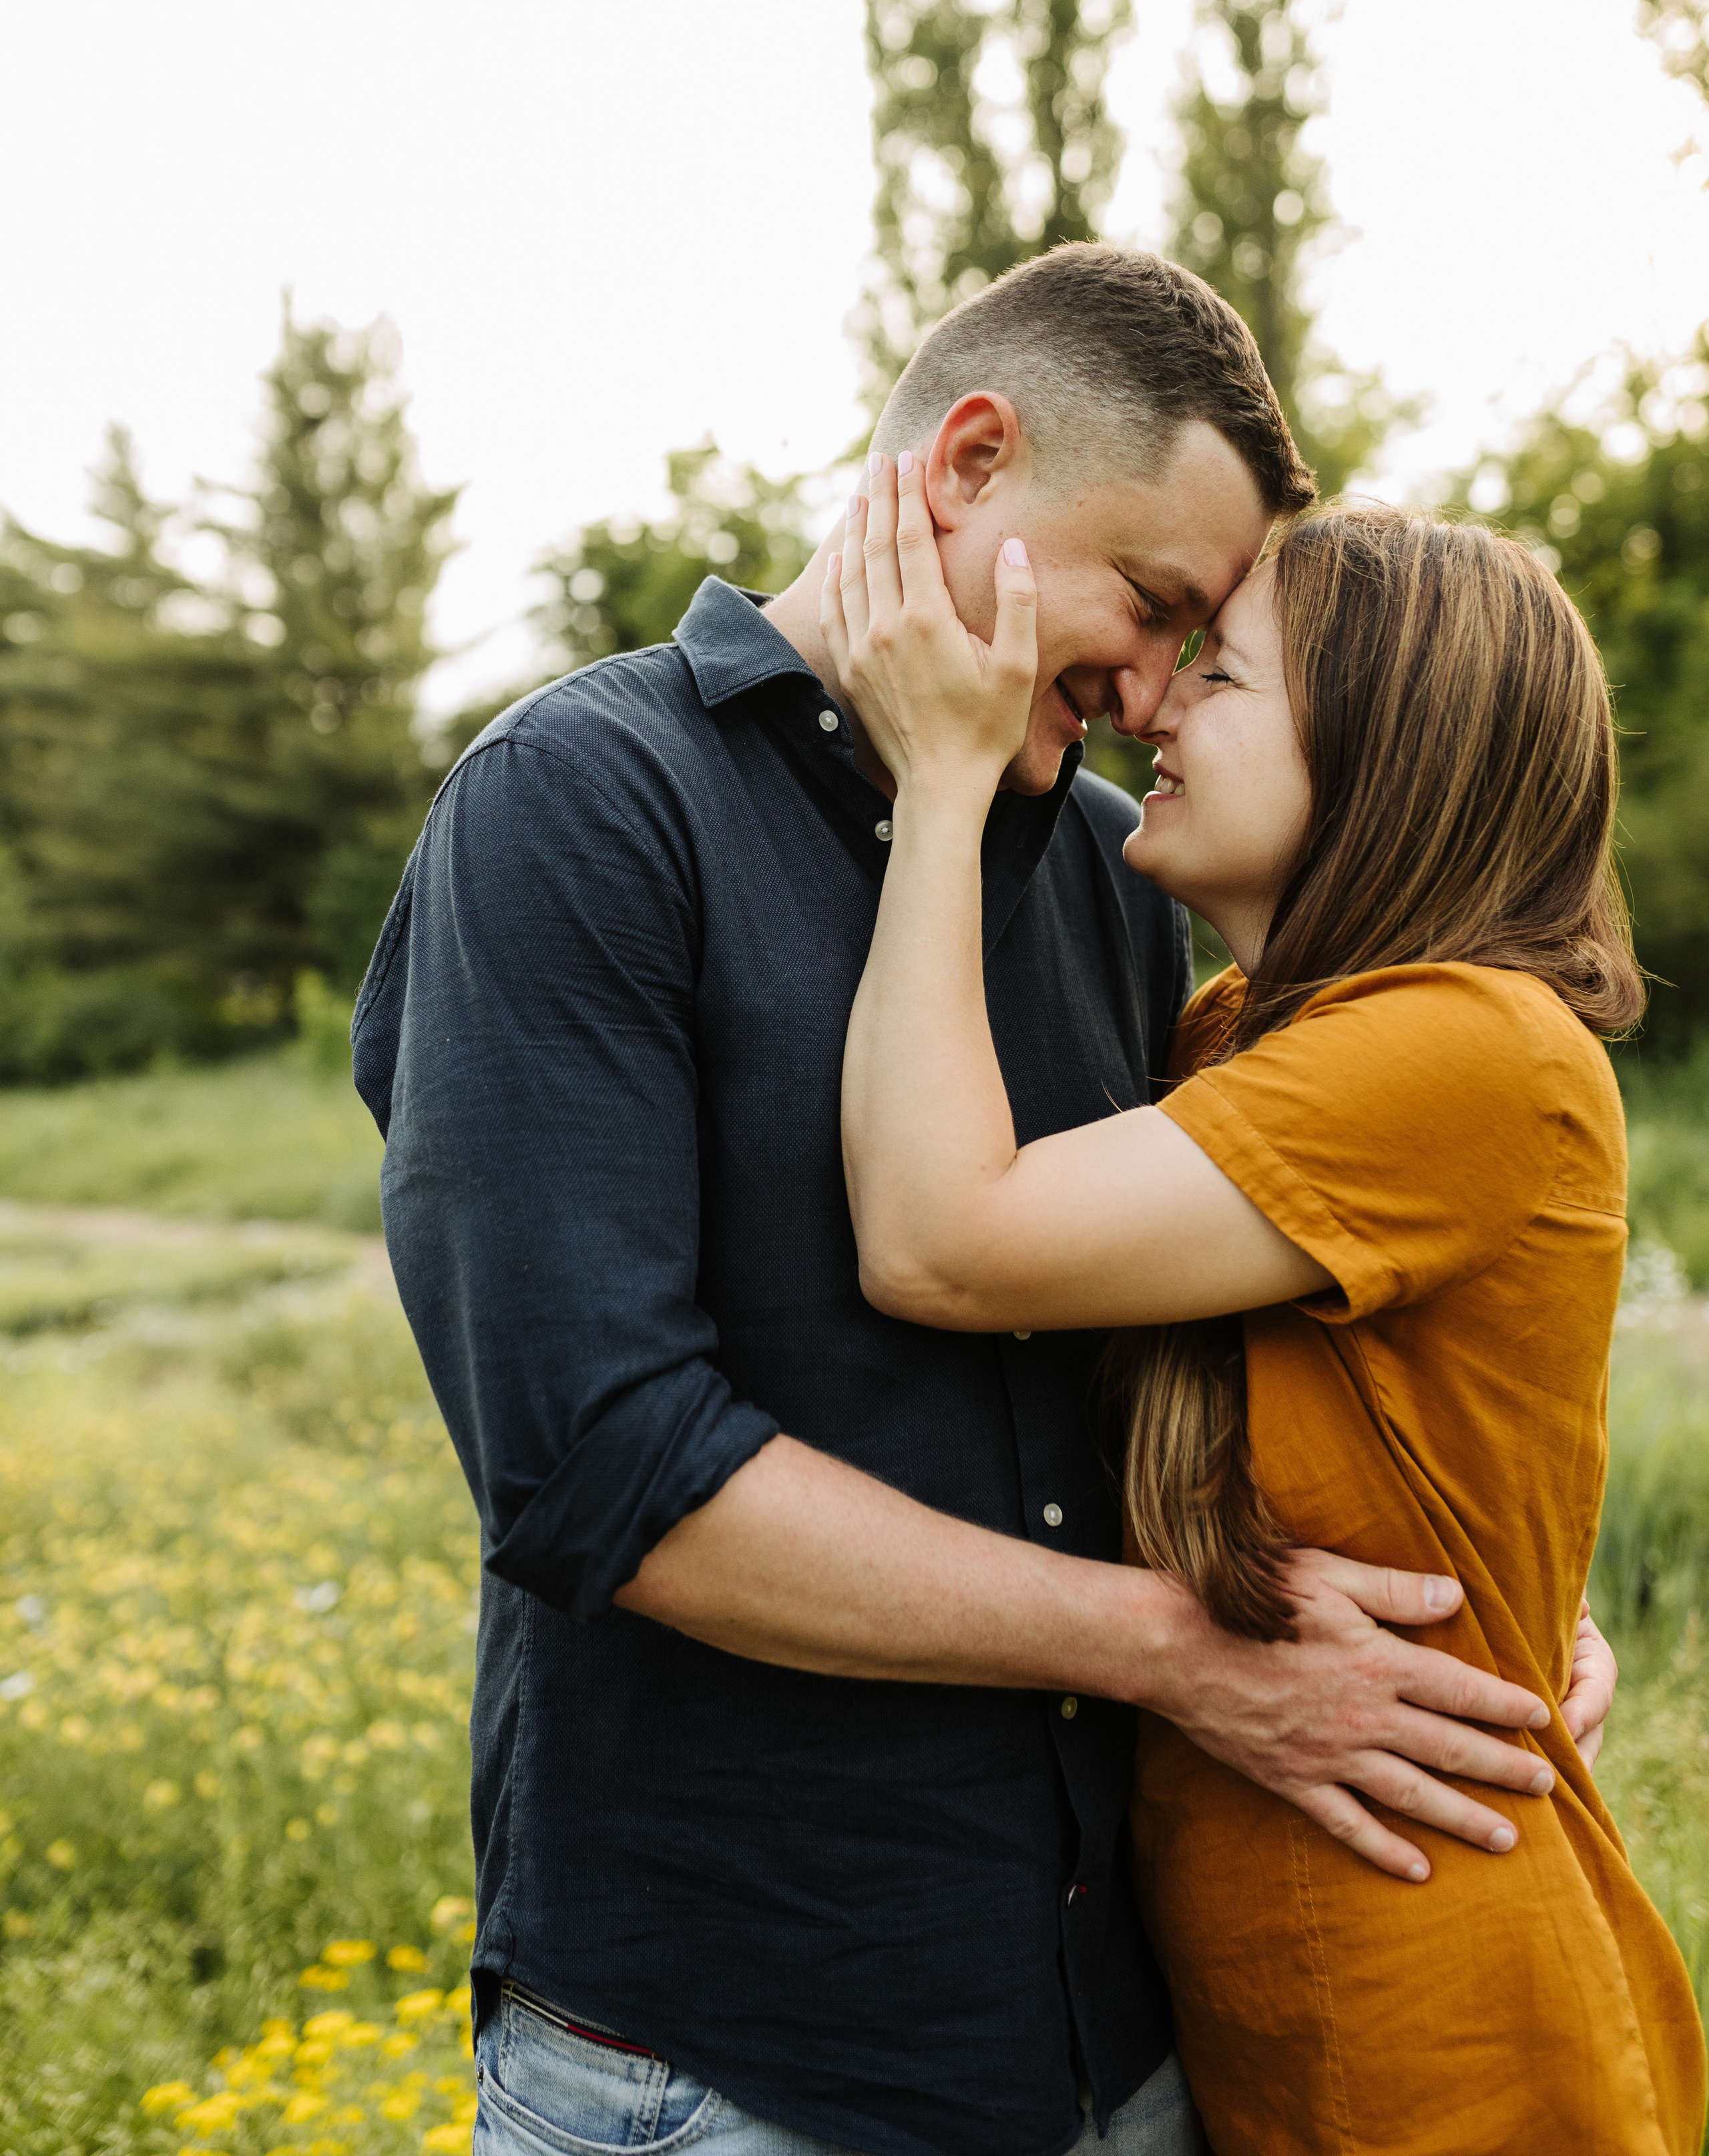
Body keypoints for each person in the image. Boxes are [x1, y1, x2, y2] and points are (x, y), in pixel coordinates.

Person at [352, 245, 1615, 2156]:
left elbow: (1306, 1327)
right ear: (967, 466)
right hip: (738, 2058)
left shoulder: (1122, 879)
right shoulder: (578, 808)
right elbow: (598, 1465)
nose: (1151, 686)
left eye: (1204, 650)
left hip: (1134, 2047)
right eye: (1154, 602)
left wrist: (1516, 1613)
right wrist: (1172, 1651)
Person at [828, 467, 1706, 2155]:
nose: (1149, 699)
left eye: (1217, 672)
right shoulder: (1244, 1031)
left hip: (1433, 2012)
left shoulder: (1464, 1046)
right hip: (1268, 2009)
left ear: (1386, 755)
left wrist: (939, 782)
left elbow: (938, 1242)